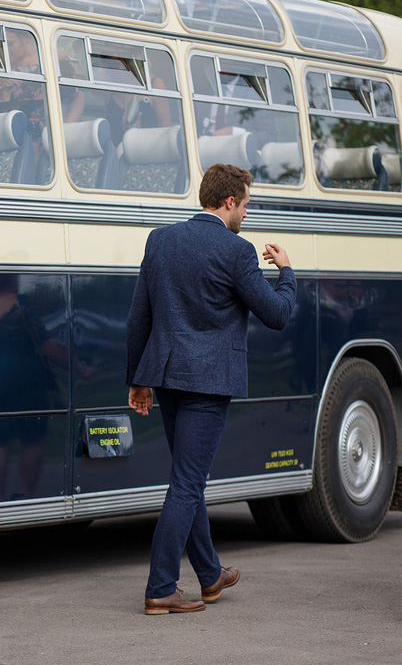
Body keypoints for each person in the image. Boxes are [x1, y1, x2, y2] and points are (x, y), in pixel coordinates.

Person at [126, 163, 296, 615]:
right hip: (207, 383)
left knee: (188, 478)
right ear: (228, 202)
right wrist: (288, 271)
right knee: (187, 483)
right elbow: (277, 314)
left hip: (166, 377)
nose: (245, 212)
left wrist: (137, 379)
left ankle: (209, 574)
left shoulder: (160, 239)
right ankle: (161, 586)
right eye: (245, 204)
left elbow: (139, 316)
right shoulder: (236, 251)